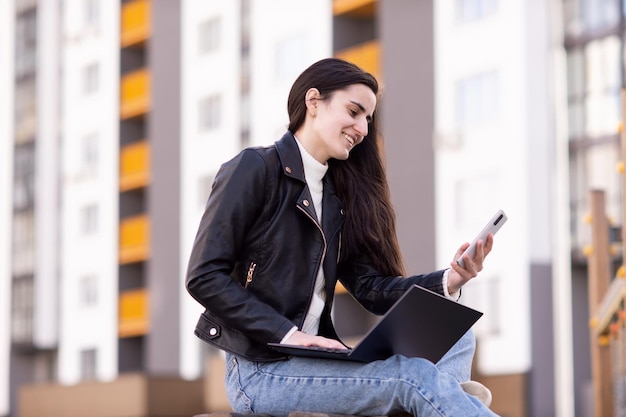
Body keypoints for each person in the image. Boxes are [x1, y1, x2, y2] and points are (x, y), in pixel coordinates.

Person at [186, 57, 500, 417]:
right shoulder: (254, 169)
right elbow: (204, 276)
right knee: (413, 378)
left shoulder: (336, 199)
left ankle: (444, 399)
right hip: (261, 371)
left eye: (368, 118)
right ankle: (449, 399)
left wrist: (451, 279)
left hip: (318, 359)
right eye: (354, 111)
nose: (363, 128)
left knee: (456, 334)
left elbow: (370, 289)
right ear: (314, 102)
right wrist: (287, 333)